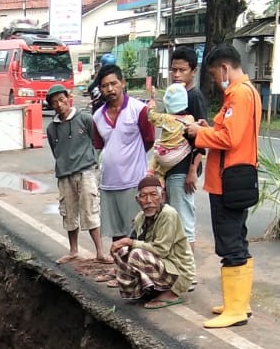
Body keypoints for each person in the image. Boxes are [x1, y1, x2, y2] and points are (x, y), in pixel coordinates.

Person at [178, 44, 261, 328]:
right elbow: (226, 132)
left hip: (228, 180)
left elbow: (229, 139)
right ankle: (238, 303)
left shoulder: (238, 95)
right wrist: (207, 128)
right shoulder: (246, 93)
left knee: (230, 243)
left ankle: (236, 310)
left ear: (225, 68)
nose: (215, 80)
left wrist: (199, 133)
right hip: (236, 177)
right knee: (237, 238)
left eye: (214, 74)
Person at [103, 173, 196, 307]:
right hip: (163, 266)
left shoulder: (168, 214)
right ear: (137, 200)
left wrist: (129, 242)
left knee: (136, 254)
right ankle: (147, 291)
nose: (148, 200)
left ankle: (172, 294)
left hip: (179, 271)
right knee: (122, 251)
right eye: (144, 196)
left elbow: (161, 250)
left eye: (153, 195)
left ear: (161, 197)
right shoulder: (141, 217)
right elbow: (134, 241)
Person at [91, 64, 154, 242]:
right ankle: (121, 269)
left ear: (123, 83)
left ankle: (138, 269)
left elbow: (148, 140)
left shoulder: (138, 110)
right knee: (116, 235)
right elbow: (100, 145)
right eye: (104, 86)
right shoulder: (97, 117)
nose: (110, 89)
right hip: (108, 184)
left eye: (114, 83)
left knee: (137, 232)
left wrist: (131, 159)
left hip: (134, 182)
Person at [44, 84, 106, 263]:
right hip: (64, 174)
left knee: (90, 210)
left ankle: (100, 252)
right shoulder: (51, 128)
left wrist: (91, 160)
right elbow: (56, 150)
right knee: (69, 212)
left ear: (68, 98)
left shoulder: (85, 119)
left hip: (85, 171)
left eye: (62, 100)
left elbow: (97, 140)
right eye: (55, 103)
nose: (59, 105)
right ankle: (73, 250)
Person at [166, 47, 210, 248]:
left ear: (193, 71)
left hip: (184, 169)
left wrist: (192, 170)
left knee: (184, 223)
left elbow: (201, 137)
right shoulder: (175, 95)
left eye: (182, 70)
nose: (176, 75)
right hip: (171, 167)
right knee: (171, 222)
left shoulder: (194, 97)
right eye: (173, 70)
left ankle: (188, 273)